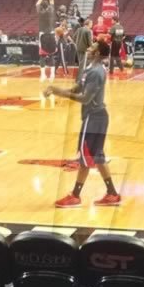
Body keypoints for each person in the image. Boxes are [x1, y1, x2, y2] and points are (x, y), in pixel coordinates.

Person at [49, 40, 121, 208]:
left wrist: (62, 95)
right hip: (96, 117)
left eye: (92, 48)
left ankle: (75, 195)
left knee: (85, 157)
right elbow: (77, 88)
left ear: (96, 53)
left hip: (94, 118)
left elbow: (85, 98)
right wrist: (57, 90)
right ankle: (112, 194)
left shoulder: (96, 71)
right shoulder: (89, 68)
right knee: (97, 157)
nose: (88, 48)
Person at [35, 0, 58, 84]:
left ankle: (43, 75)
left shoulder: (40, 13)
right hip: (51, 35)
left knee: (42, 56)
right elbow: (52, 1)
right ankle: (52, 74)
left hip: (43, 35)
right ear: (48, 6)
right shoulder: (51, 11)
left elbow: (37, 3)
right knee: (52, 55)